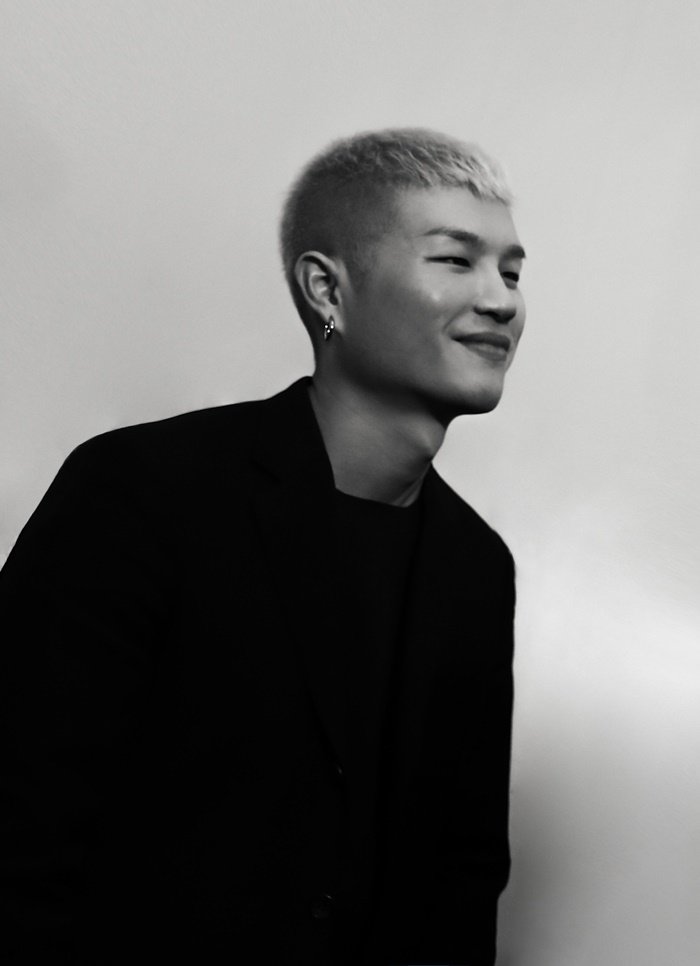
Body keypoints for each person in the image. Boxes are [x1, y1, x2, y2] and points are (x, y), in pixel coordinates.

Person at [0, 128, 526, 965]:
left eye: (512, 271)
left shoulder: (476, 567)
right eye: (456, 260)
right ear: (327, 289)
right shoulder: (142, 491)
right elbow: (21, 825)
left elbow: (460, 881)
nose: (500, 300)